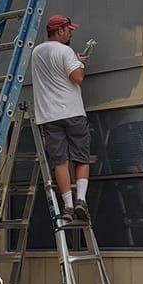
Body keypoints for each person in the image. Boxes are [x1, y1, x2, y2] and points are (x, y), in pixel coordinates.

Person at [31, 14, 92, 222]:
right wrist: (79, 63)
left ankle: (67, 207)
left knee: (60, 161)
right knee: (82, 157)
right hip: (72, 112)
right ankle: (81, 201)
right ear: (59, 30)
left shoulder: (36, 52)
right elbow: (77, 78)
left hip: (48, 115)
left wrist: (74, 60)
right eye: (69, 30)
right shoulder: (65, 51)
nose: (71, 33)